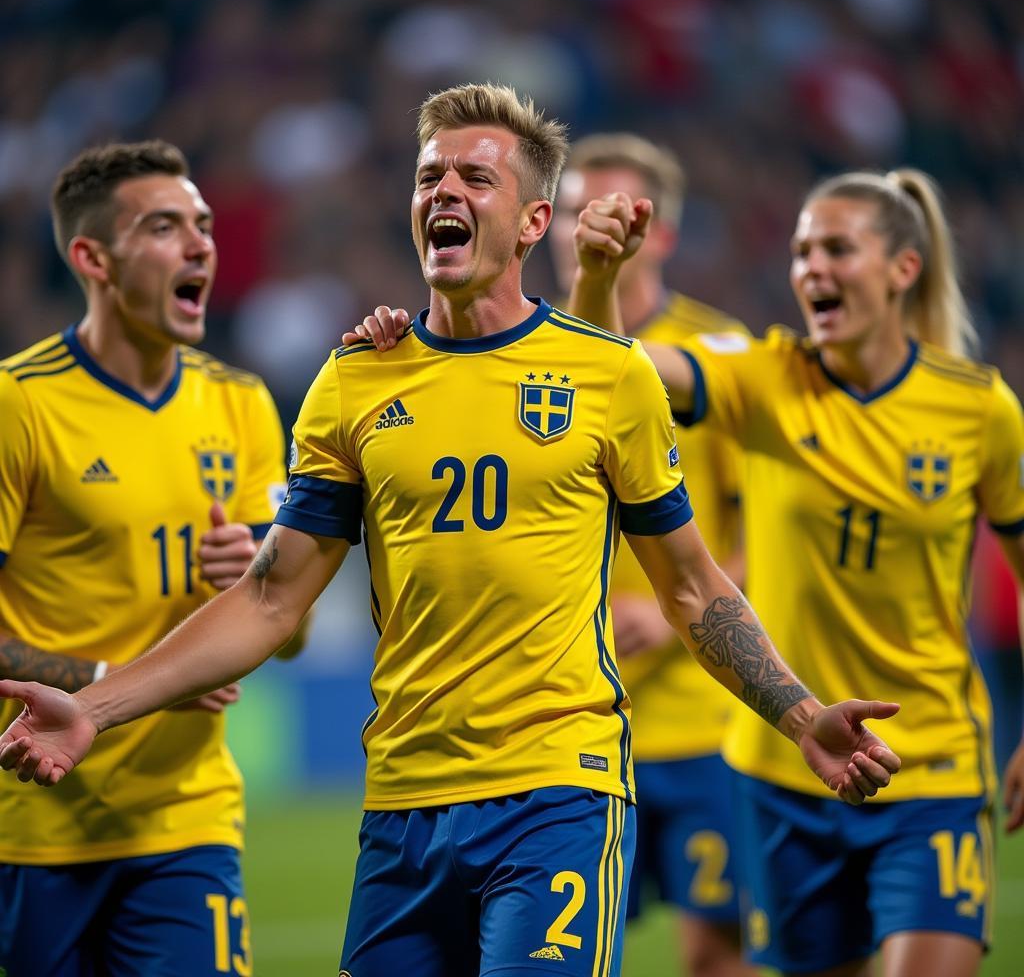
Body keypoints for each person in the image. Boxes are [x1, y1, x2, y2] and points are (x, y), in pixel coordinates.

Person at [0, 86, 901, 977]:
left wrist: (799, 714)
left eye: (478, 177)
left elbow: (692, 584)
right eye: (432, 175)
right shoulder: (354, 381)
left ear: (534, 220)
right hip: (402, 804)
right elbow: (272, 599)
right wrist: (93, 707)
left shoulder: (611, 376)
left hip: (557, 790)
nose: (446, 192)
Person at [567, 169, 1024, 977]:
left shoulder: (978, 409)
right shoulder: (766, 380)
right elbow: (613, 378)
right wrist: (597, 278)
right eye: (802, 251)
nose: (812, 267)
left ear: (902, 269)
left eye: (837, 249)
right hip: (783, 766)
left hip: (931, 768)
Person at [0, 140, 300, 976]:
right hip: (35, 821)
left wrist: (253, 575)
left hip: (187, 818)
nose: (201, 245)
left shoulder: (241, 405)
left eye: (203, 226)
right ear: (91, 257)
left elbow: (292, 630)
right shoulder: (17, 405)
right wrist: (106, 684)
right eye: (165, 228)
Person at [551, 134, 754, 977]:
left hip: (706, 723)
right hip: (569, 722)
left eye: (613, 212)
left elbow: (764, 533)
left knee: (717, 956)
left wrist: (673, 620)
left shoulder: (720, 357)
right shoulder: (518, 348)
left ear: (661, 233)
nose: (583, 230)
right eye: (568, 212)